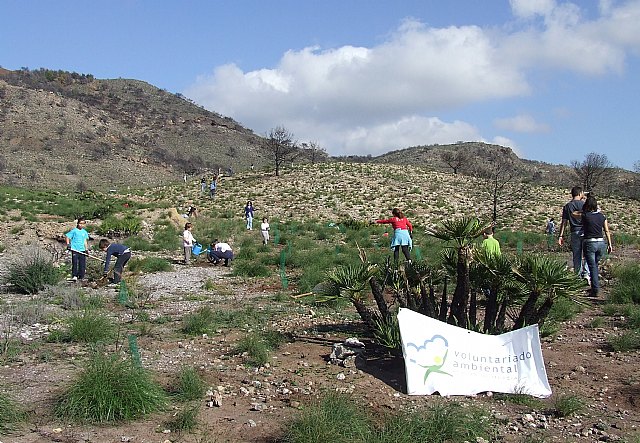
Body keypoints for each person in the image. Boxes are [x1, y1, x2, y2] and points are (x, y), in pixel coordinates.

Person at [581, 194, 613, 297]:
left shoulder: (585, 216)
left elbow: (574, 214)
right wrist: (610, 244)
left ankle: (595, 289)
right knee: (595, 265)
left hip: (589, 243)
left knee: (592, 266)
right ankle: (595, 287)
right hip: (601, 243)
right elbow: (607, 231)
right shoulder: (602, 216)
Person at [558, 186, 587, 276]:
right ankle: (586, 273)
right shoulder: (584, 205)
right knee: (587, 254)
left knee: (576, 255)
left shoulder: (567, 206)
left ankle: (577, 275)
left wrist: (560, 235)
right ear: (579, 193)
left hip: (574, 232)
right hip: (585, 232)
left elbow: (564, 222)